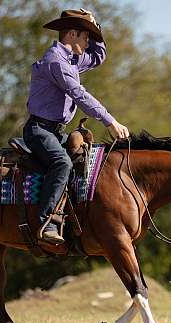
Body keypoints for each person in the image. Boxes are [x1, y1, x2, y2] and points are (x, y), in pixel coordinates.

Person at [24, 8, 130, 244]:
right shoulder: (56, 62)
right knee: (61, 163)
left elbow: (98, 56)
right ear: (71, 34)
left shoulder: (72, 60)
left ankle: (72, 218)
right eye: (85, 36)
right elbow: (79, 95)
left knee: (85, 159)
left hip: (54, 131)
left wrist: (95, 25)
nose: (88, 41)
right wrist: (109, 121)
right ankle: (47, 223)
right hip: (39, 131)